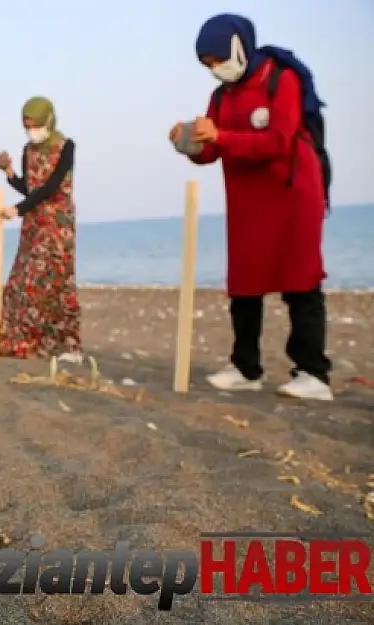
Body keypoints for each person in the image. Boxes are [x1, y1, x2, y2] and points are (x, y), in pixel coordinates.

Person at [170, 14, 332, 401]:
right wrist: (188, 143)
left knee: (300, 278)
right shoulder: (222, 95)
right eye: (207, 64)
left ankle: (313, 372)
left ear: (239, 46)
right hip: (247, 199)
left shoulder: (281, 78)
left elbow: (279, 139)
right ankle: (246, 367)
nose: (215, 69)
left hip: (291, 191)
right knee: (244, 281)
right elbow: (211, 151)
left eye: (218, 59)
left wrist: (221, 135)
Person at [0, 97, 82, 360]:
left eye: (36, 124)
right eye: (27, 126)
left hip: (57, 225)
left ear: (49, 120)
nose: (32, 130)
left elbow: (51, 186)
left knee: (51, 283)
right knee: (19, 283)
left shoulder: (66, 147)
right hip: (33, 225)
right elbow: (30, 188)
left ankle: (62, 344)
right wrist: (8, 172)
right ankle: (19, 341)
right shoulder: (27, 151)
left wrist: (17, 209)